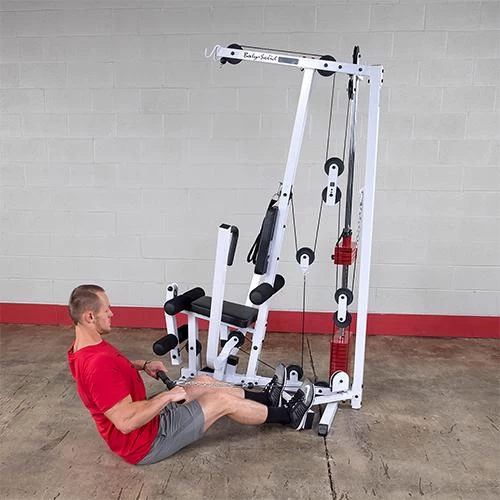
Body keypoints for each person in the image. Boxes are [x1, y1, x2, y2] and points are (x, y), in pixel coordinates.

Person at [67, 284, 315, 465]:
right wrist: (166, 397)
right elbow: (125, 422)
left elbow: (108, 375)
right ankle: (289, 416)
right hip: (146, 443)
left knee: (205, 382)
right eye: (107, 310)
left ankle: (267, 399)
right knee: (221, 400)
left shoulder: (82, 350)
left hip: (148, 421)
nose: (111, 314)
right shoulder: (97, 364)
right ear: (90, 316)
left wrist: (142, 365)